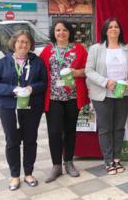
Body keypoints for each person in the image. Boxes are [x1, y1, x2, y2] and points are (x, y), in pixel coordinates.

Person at [0, 30, 47, 191]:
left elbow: (44, 83)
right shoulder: (3, 63)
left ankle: (28, 173)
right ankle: (15, 175)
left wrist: (31, 87)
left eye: (27, 42)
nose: (23, 45)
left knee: (30, 140)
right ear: (14, 43)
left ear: (31, 45)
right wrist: (12, 89)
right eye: (20, 41)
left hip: (31, 108)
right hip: (9, 108)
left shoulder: (37, 62)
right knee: (12, 142)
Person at [85, 18, 128, 175]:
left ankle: (116, 158)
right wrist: (106, 82)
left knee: (119, 127)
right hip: (102, 94)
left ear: (120, 30)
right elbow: (88, 70)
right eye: (110, 27)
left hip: (123, 93)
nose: (113, 29)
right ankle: (108, 160)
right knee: (106, 128)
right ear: (105, 31)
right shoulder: (95, 49)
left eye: (116, 27)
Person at [40, 21, 89, 182]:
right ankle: (56, 165)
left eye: (64, 30)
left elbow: (89, 70)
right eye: (58, 30)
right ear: (53, 32)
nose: (61, 33)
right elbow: (39, 72)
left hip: (72, 97)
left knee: (70, 131)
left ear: (69, 32)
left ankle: (68, 162)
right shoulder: (47, 51)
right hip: (53, 98)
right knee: (54, 132)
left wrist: (77, 72)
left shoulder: (79, 49)